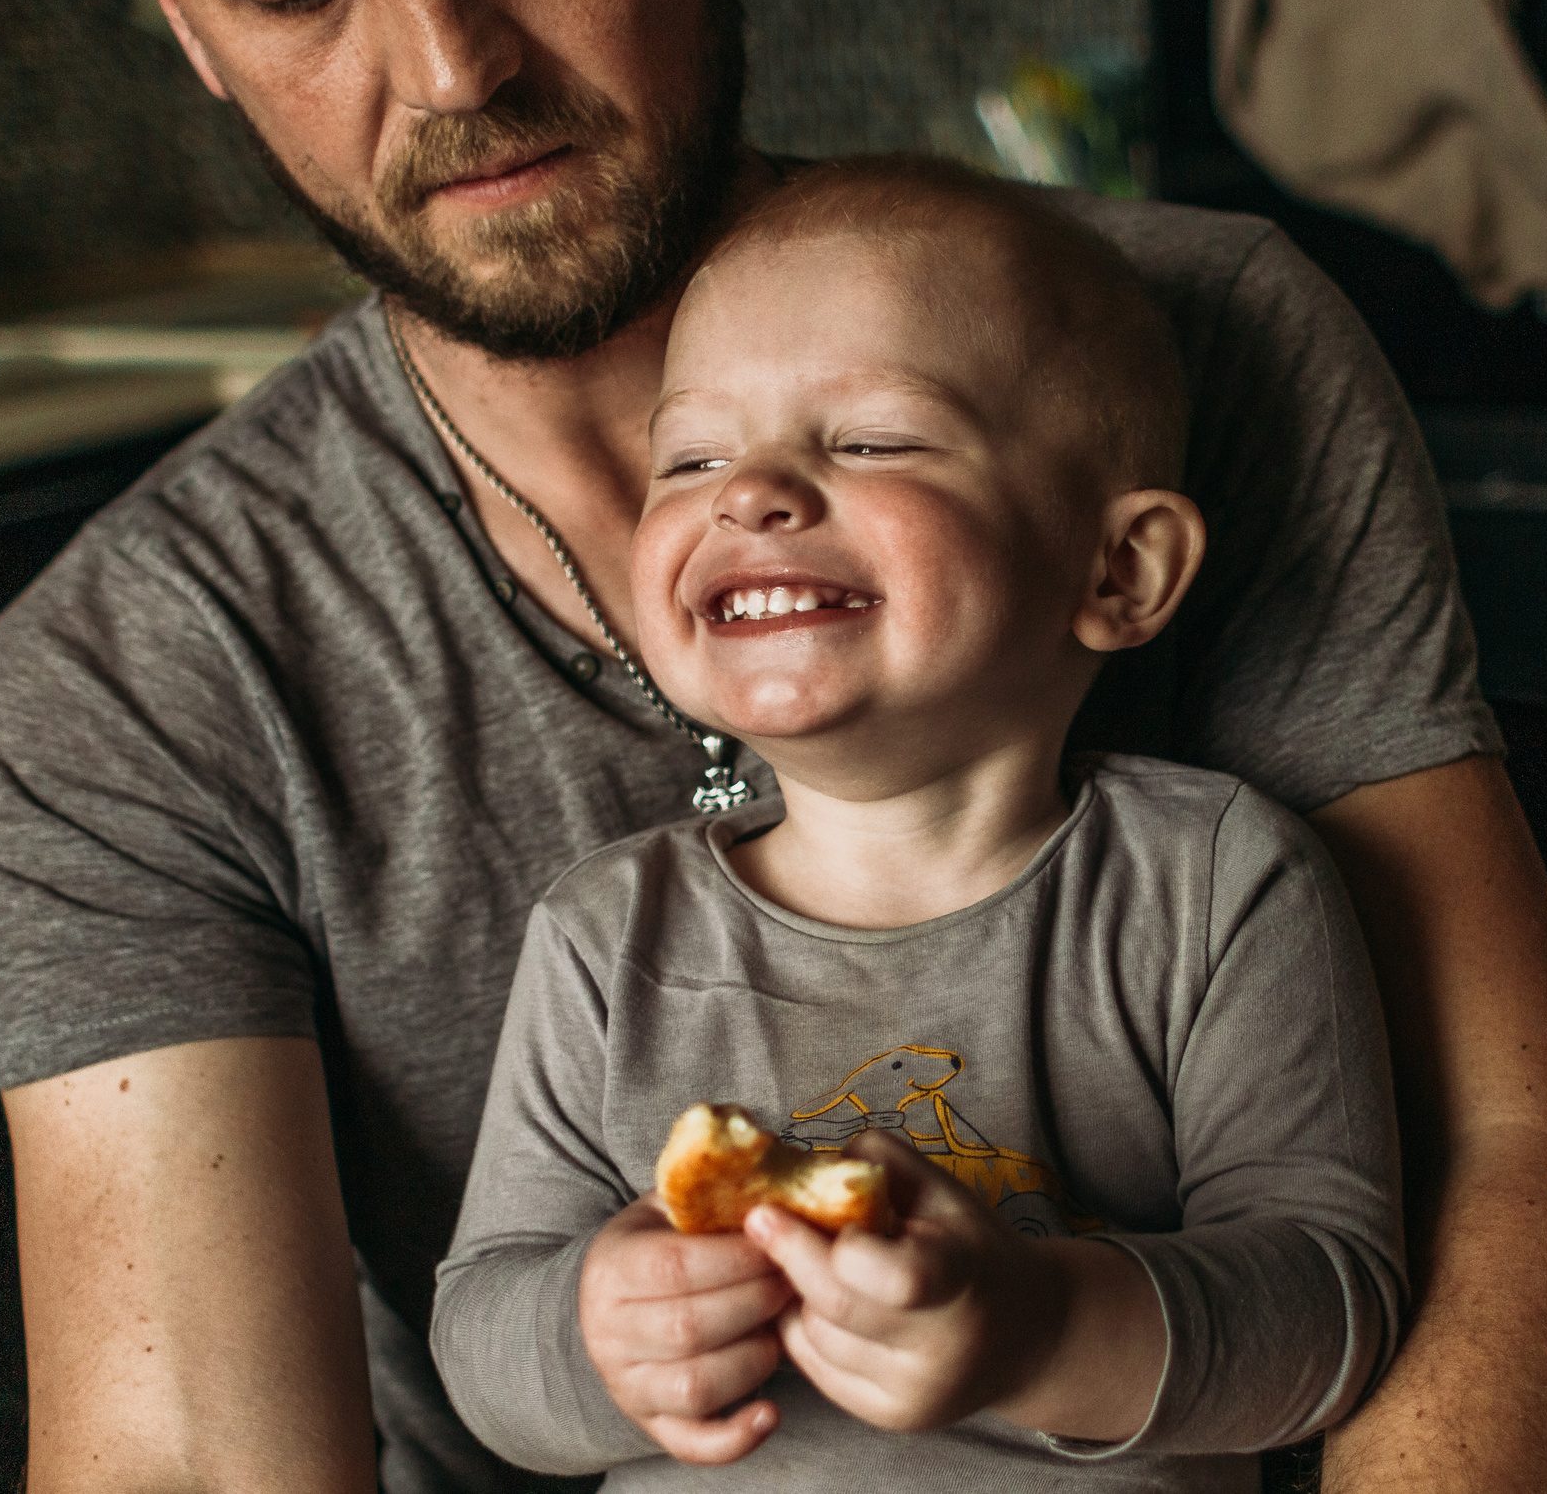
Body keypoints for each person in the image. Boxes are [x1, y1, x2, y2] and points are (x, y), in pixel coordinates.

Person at [0, 0, 1547, 1489]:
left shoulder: (1182, 360)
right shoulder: (125, 689)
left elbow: (1495, 1190)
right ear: (176, 2)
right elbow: (189, 1461)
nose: (454, 67)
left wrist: (1044, 1322)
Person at [430, 157, 1406, 1490]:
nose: (750, 493)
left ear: (1120, 569)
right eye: (693, 457)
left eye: (875, 440)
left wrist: (1034, 1328)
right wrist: (596, 1335)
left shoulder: (1217, 886)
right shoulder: (606, 936)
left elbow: (1332, 1314)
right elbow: (483, 1337)